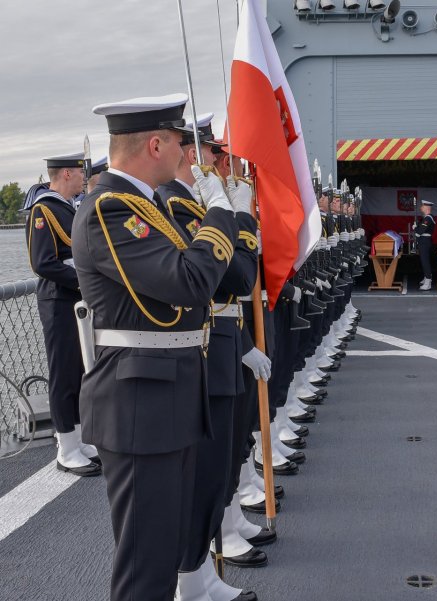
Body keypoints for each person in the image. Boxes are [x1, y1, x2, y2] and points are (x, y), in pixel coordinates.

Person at [72, 93, 240, 601]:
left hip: (167, 396)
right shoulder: (111, 208)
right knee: (145, 564)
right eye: (181, 144)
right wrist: (221, 216)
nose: (189, 155)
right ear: (155, 143)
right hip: (140, 403)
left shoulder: (144, 204)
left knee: (164, 550)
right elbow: (188, 283)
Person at [157, 113, 270, 593]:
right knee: (207, 468)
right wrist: (240, 217)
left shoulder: (197, 204)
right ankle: (194, 574)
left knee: (224, 457)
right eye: (210, 154)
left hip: (225, 336)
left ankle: (201, 570)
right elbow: (238, 277)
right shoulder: (180, 208)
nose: (218, 164)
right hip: (208, 345)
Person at [26, 152, 101, 476]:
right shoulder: (42, 209)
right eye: (78, 172)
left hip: (76, 301)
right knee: (62, 373)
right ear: (66, 174)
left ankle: (79, 436)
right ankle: (66, 447)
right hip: (58, 301)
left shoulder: (70, 206)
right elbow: (42, 262)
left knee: (81, 370)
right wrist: (85, 280)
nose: (83, 177)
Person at [414, 200, 436, 290]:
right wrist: (417, 226)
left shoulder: (428, 218)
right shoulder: (426, 218)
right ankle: (427, 277)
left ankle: (428, 282)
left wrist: (415, 229)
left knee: (425, 261)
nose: (421, 207)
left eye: (422, 206)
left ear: (427, 208)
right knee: (424, 261)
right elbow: (421, 228)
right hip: (424, 241)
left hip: (425, 241)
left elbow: (420, 231)